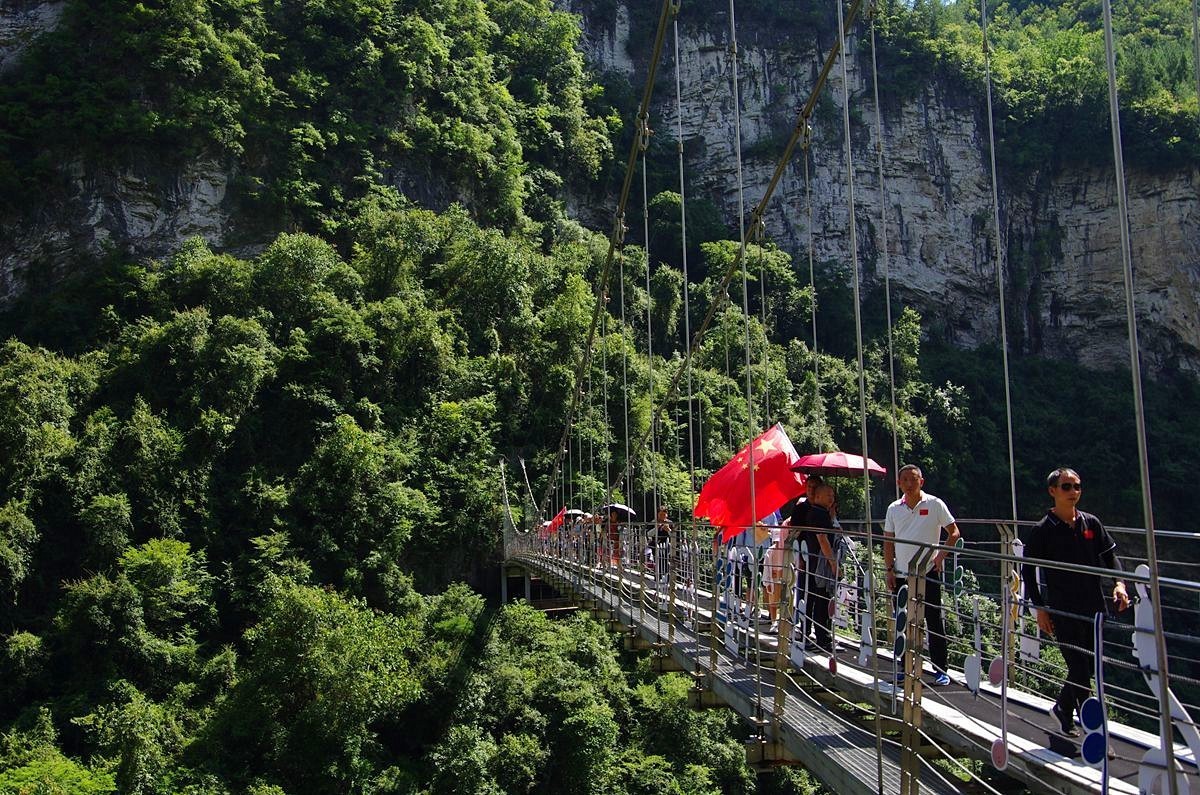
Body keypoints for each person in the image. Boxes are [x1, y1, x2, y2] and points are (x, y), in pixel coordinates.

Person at [1022, 467, 1130, 737]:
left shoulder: (1091, 523)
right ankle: (1095, 733)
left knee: (1089, 666)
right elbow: (1028, 573)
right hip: (1062, 608)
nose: (1074, 492)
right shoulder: (1043, 530)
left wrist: (1119, 584)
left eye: (1077, 486)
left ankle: (1063, 708)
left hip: (1094, 606)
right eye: (1067, 487)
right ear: (1053, 491)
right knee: (1079, 668)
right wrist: (1040, 608)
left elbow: (1110, 556)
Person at [884, 464, 961, 686]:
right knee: (903, 620)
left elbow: (954, 532)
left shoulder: (935, 504)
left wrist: (940, 557)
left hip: (928, 572)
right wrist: (889, 569)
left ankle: (940, 669)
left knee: (933, 620)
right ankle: (903, 667)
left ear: (921, 481)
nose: (909, 483)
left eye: (913, 479)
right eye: (905, 480)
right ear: (899, 483)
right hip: (901, 574)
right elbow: (888, 541)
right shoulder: (893, 508)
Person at [790, 482, 840, 649]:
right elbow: (822, 538)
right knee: (820, 598)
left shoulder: (822, 513)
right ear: (818, 497)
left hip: (813, 559)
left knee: (817, 597)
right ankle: (820, 637)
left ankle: (815, 635)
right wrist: (833, 563)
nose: (831, 498)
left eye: (833, 495)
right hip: (817, 562)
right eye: (828, 496)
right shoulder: (817, 514)